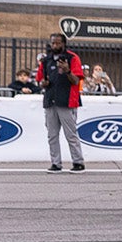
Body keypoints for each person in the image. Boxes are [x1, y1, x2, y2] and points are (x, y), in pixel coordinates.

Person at [35, 32, 86, 172]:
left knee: (71, 134)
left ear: (64, 44)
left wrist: (67, 70)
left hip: (67, 101)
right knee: (52, 134)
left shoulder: (72, 58)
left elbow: (76, 81)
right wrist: (43, 83)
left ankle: (78, 162)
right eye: (53, 43)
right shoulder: (46, 61)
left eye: (58, 43)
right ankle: (56, 163)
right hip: (50, 100)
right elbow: (40, 80)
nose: (55, 45)